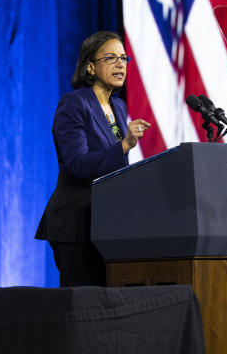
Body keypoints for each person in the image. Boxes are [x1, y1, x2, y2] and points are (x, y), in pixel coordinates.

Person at [35, 31, 150, 286]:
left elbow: (114, 167)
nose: (121, 64)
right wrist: (124, 146)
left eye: (123, 58)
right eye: (111, 58)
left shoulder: (119, 106)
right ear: (90, 67)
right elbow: (76, 164)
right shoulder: (74, 104)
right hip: (76, 223)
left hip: (107, 223)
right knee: (84, 306)